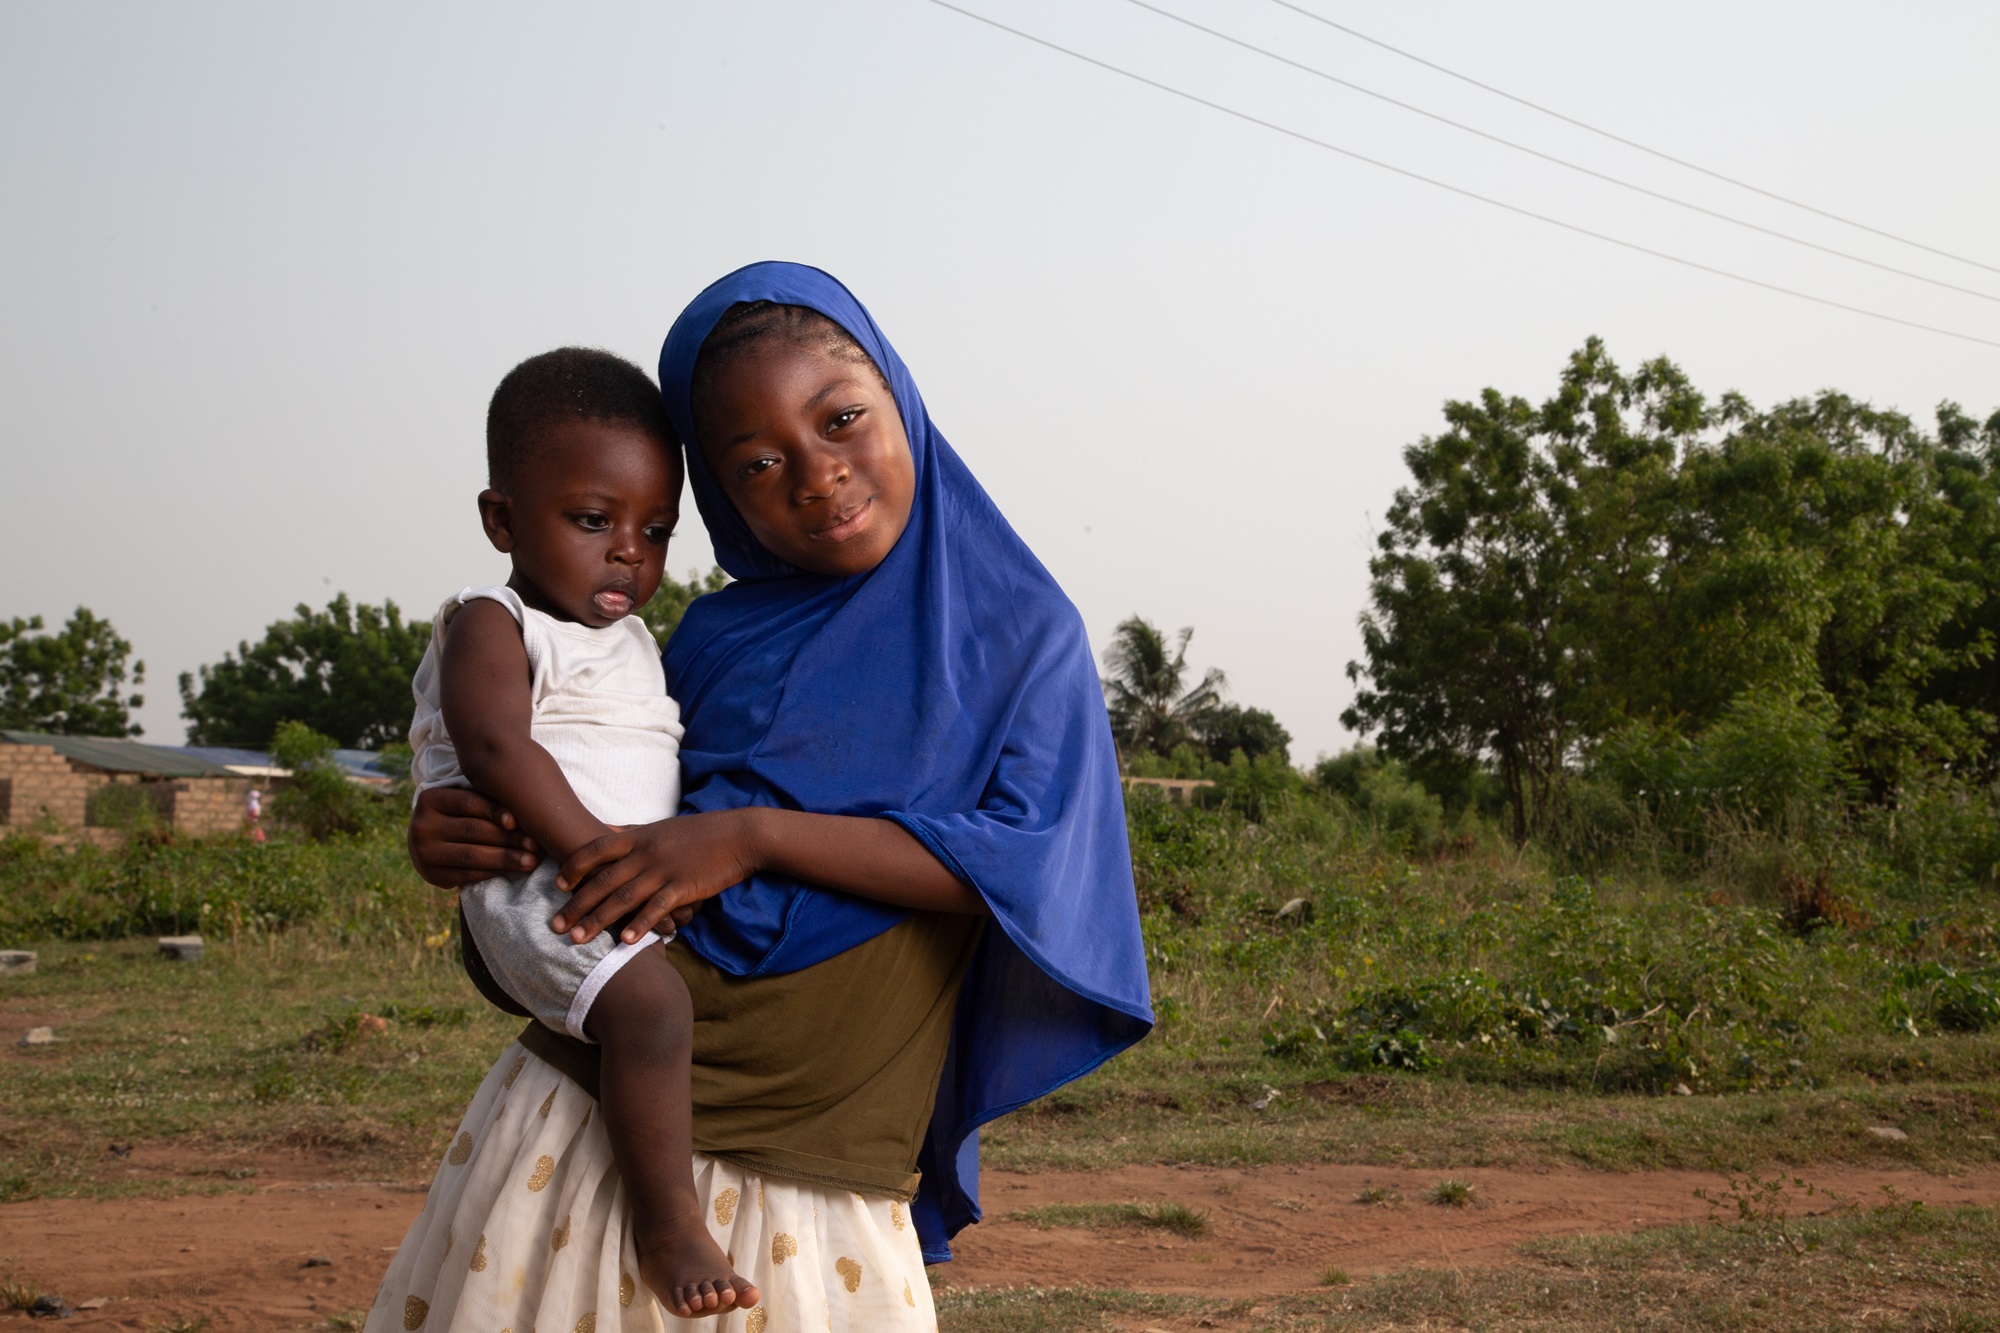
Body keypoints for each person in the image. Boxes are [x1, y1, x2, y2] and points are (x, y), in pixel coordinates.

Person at [377, 263, 1153, 1333]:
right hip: (596, 1131)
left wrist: (750, 836)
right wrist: (465, 834)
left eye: (841, 419)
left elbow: (1025, 866)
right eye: (755, 463)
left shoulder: (1019, 638)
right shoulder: (703, 646)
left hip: (818, 1154)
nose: (817, 475)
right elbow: (601, 847)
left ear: (900, 398)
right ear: (719, 499)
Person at [402, 346, 757, 1318]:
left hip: (606, 878)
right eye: (592, 521)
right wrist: (598, 850)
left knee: (663, 1002)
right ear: (502, 519)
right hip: (544, 875)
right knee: (652, 1013)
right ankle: (668, 1223)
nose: (628, 552)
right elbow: (494, 749)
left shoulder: (639, 638)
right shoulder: (494, 621)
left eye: (653, 529)